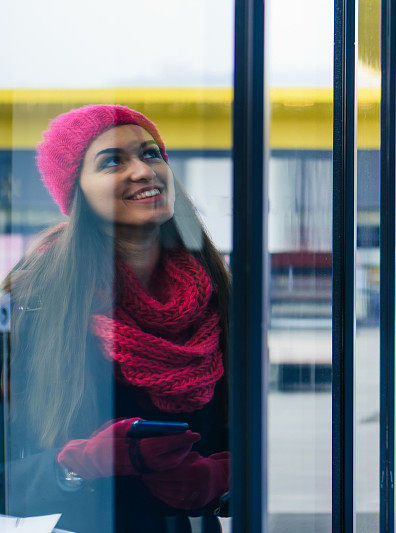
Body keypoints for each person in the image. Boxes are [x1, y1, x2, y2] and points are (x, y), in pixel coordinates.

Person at [1, 105, 230, 532]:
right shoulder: (33, 297)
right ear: (76, 192)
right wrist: (75, 467)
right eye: (112, 161)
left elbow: (238, 430)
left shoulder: (217, 291)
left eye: (151, 154)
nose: (144, 171)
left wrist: (223, 478)